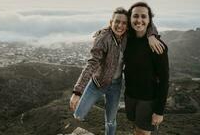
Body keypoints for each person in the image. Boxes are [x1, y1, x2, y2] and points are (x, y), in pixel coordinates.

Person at [69, 7, 164, 135]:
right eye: (117, 22)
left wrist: (152, 35)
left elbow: (146, 24)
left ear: (128, 25)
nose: (120, 25)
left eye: (124, 23)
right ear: (110, 23)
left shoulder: (128, 36)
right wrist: (77, 91)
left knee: (110, 120)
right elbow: (91, 64)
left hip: (115, 85)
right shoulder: (103, 38)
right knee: (78, 115)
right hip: (97, 84)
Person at [124, 2, 169, 135]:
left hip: (148, 100)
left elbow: (164, 80)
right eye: (135, 16)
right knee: (136, 129)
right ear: (130, 18)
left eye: (144, 16)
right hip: (130, 96)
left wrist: (159, 111)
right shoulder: (127, 40)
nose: (139, 20)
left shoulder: (157, 46)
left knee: (142, 133)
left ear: (149, 20)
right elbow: (115, 27)